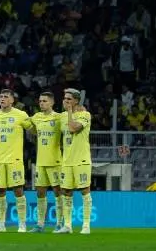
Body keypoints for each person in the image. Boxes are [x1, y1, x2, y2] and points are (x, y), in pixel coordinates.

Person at [0, 89, 33, 232]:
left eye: (6, 97)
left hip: (15, 160)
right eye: (0, 96)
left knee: (18, 191)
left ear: (12, 100)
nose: (2, 99)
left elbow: (34, 130)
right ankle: (1, 224)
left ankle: (22, 224)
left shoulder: (21, 115)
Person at [56, 88, 92, 234]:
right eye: (65, 98)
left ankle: (86, 225)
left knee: (84, 191)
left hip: (81, 160)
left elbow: (72, 128)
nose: (66, 101)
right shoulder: (61, 116)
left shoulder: (85, 114)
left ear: (76, 101)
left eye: (69, 99)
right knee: (66, 192)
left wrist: (70, 112)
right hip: (67, 161)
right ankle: (68, 225)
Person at [29, 91, 64, 232]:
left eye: (44, 101)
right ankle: (40, 224)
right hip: (41, 161)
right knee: (40, 192)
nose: (41, 103)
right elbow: (28, 126)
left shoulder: (59, 117)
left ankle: (60, 223)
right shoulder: (36, 117)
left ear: (52, 102)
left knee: (58, 192)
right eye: (40, 101)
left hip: (55, 161)